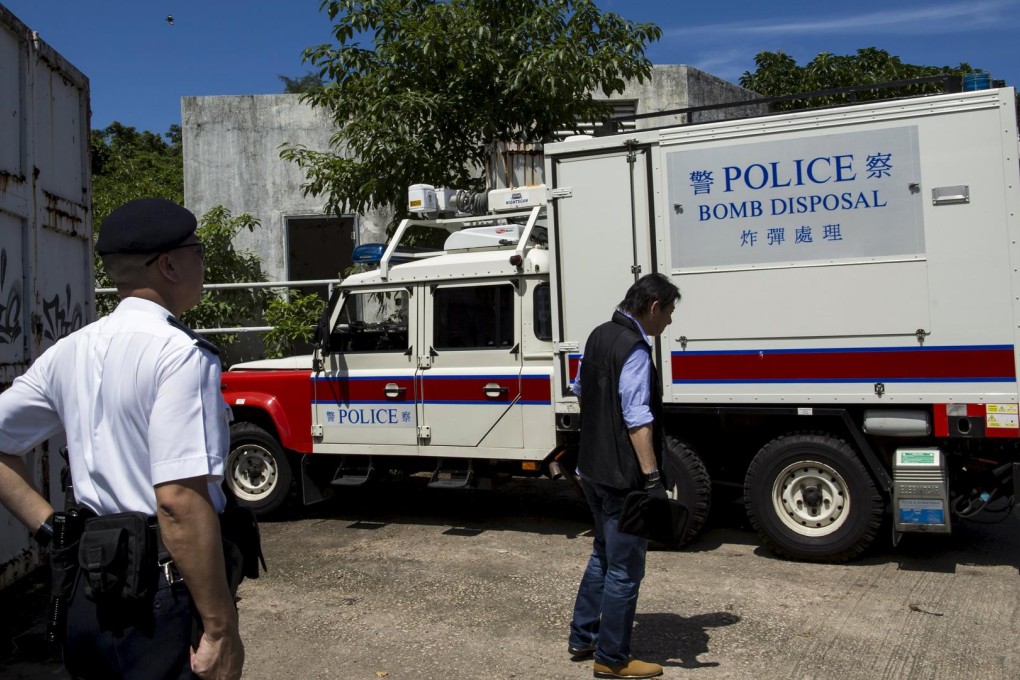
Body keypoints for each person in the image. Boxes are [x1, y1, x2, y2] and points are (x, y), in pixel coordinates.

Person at [0, 198, 244, 680]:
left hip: (87, 591)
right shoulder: (181, 355)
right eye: (196, 250)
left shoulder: (69, 351)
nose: (202, 262)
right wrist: (219, 628)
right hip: (160, 597)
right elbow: (177, 500)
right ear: (170, 264)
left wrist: (51, 528)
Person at [567, 272, 680, 680]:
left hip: (591, 470)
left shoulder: (597, 335)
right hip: (620, 479)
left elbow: (580, 390)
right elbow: (637, 418)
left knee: (602, 553)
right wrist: (652, 477)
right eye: (668, 314)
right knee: (625, 567)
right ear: (653, 307)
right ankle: (612, 659)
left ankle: (583, 637)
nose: (668, 323)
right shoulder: (634, 349)